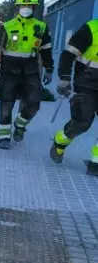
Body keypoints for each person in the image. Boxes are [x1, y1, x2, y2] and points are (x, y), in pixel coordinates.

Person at [0, 0, 54, 149]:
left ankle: (20, 124)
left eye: (28, 4)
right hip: (9, 70)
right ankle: (3, 136)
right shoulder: (7, 27)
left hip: (30, 70)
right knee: (6, 103)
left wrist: (49, 69)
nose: (25, 7)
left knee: (34, 103)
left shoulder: (41, 27)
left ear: (34, 7)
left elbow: (46, 50)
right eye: (22, 4)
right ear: (18, 6)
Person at [50, 19, 98, 176]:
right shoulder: (91, 29)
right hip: (86, 83)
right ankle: (60, 142)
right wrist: (64, 78)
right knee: (82, 123)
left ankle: (95, 164)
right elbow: (68, 54)